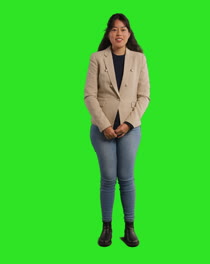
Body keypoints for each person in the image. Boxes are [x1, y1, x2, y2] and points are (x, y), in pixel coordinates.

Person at [84, 13, 150, 247]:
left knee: (127, 177)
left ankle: (130, 227)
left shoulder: (139, 59)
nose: (118, 33)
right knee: (108, 178)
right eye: (113, 29)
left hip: (130, 129)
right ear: (108, 33)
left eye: (123, 29)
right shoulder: (97, 58)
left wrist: (128, 124)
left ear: (129, 33)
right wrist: (104, 125)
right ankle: (106, 227)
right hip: (103, 129)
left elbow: (144, 96)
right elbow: (89, 95)